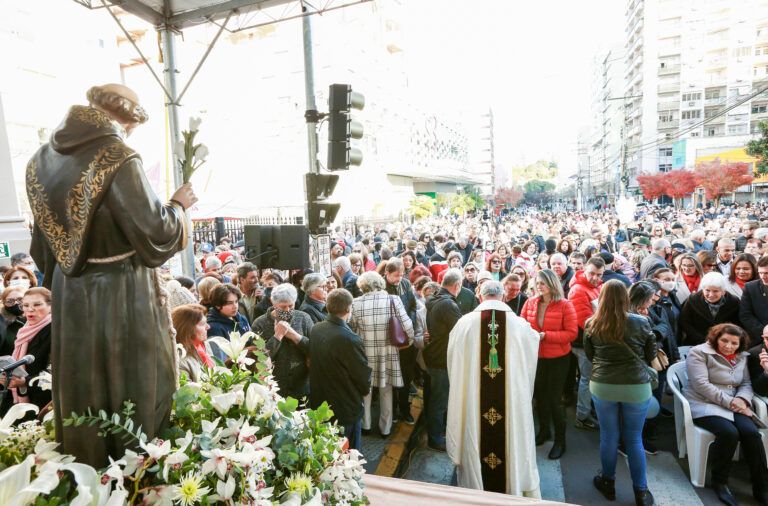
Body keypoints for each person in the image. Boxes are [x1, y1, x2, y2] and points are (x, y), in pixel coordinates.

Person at [28, 84, 195, 467]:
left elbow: (42, 247)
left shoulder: (40, 159)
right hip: (121, 289)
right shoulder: (118, 155)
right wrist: (179, 205)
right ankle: (134, 471)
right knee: (132, 379)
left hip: (69, 291)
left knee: (84, 380)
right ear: (128, 119)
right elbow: (156, 231)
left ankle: (87, 463)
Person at [446, 280, 542, 497]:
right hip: (509, 401)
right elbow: (531, 351)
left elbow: (454, 362)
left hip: (474, 401)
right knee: (511, 437)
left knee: (475, 434)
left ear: (480, 295)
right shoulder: (520, 326)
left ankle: (476, 495)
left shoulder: (464, 323)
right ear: (504, 296)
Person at [585, 280, 656, 506]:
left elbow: (590, 355)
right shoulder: (641, 322)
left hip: (603, 383)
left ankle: (608, 482)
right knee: (634, 439)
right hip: (636, 385)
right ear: (626, 297)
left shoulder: (592, 323)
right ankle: (641, 492)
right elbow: (650, 353)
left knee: (608, 436)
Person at [685, 323, 768, 506]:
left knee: (752, 434)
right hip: (705, 403)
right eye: (724, 340)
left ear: (740, 344)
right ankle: (720, 482)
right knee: (729, 433)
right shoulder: (698, 352)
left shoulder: (741, 357)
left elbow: (746, 383)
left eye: (734, 343)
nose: (728, 346)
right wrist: (732, 403)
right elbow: (701, 385)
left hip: (735, 404)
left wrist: (743, 400)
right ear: (716, 338)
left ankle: (761, 486)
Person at [520, 270, 577, 460]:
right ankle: (544, 432)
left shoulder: (565, 305)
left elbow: (571, 333)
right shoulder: (530, 302)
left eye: (543, 283)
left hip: (558, 358)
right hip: (536, 357)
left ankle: (561, 441)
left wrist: (546, 336)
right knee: (540, 397)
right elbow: (522, 325)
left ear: (552, 284)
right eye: (537, 283)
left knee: (554, 399)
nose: (539, 286)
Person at [349, 272, 413, 437]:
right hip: (388, 350)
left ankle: (366, 425)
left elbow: (352, 328)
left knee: (365, 389)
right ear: (380, 283)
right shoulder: (394, 299)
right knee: (386, 390)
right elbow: (407, 325)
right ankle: (385, 428)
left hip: (364, 352)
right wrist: (408, 343)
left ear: (362, 286)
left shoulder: (355, 303)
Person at [309, 288, 372, 452]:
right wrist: (365, 390)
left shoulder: (316, 329)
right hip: (345, 407)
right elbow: (362, 375)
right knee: (349, 455)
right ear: (349, 309)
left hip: (321, 403)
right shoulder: (350, 339)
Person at [424, 268, 464, 451]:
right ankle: (435, 439)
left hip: (434, 354)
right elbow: (461, 330)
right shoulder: (448, 304)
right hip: (442, 357)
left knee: (434, 399)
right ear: (457, 285)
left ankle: (435, 433)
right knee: (439, 401)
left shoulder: (435, 299)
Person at [252, 283, 314, 399]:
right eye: (283, 307)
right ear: (273, 303)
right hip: (273, 389)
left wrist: (296, 337)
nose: (287, 310)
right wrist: (277, 336)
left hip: (301, 387)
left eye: (291, 306)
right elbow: (259, 359)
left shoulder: (304, 318)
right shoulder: (259, 324)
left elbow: (314, 349)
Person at [0, 287, 53, 416]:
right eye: (26, 305)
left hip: (43, 402)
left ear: (51, 306)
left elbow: (54, 373)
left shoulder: (55, 330)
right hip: (17, 396)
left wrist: (25, 381)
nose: (30, 309)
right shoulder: (24, 329)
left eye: (37, 304)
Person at [568, 256, 605, 430]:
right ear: (584, 270)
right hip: (583, 342)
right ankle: (582, 416)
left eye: (599, 274)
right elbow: (586, 321)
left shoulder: (595, 287)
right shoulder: (578, 290)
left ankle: (587, 411)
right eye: (592, 273)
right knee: (587, 379)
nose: (595, 277)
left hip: (590, 340)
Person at [383, 258, 419, 424]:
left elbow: (412, 306)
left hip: (406, 338)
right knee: (391, 377)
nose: (399, 278)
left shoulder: (405, 285)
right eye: (396, 275)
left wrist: (408, 321)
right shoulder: (381, 288)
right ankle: (394, 410)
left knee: (405, 375)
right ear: (387, 274)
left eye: (402, 275)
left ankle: (405, 409)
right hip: (389, 339)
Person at [679, 272, 741, 346]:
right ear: (703, 289)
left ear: (723, 292)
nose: (711, 295)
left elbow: (737, 324)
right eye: (707, 290)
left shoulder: (733, 302)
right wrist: (702, 340)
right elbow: (684, 322)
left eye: (715, 291)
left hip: (725, 344)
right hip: (696, 343)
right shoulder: (693, 299)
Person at [206, 285, 251, 360]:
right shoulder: (213, 327)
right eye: (229, 303)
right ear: (217, 305)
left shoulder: (242, 318)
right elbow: (219, 358)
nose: (235, 306)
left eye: (236, 301)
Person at [172, 304, 214, 383]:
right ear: (187, 328)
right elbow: (189, 393)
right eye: (202, 324)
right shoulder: (180, 360)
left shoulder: (204, 345)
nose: (208, 327)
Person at [740, 255, 768, 346]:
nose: (763, 276)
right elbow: (745, 315)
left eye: (767, 273)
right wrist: (764, 331)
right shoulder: (750, 287)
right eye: (760, 273)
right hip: (758, 338)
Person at [0, 286, 26, 357]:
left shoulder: (34, 319)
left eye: (20, 299)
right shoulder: (2, 322)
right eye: (10, 301)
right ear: (4, 303)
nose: (16, 303)